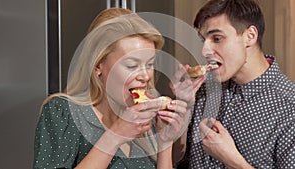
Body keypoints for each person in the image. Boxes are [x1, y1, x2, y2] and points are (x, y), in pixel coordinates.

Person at [33, 8, 192, 169]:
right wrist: (116, 135)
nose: (145, 76)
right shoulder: (63, 112)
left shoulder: (146, 118)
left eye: (149, 64)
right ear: (97, 65)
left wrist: (164, 142)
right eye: (131, 65)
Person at [172, 0, 295, 168]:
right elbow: (176, 159)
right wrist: (183, 108)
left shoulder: (289, 108)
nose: (204, 51)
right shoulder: (203, 90)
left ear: (250, 36)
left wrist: (232, 161)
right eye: (204, 40)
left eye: (217, 38)